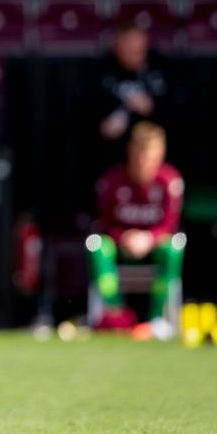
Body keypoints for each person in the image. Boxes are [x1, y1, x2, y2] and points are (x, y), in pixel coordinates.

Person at [86, 122, 185, 338]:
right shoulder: (111, 181)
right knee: (95, 244)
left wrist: (148, 238)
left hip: (154, 247)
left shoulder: (170, 181)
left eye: (150, 157)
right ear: (130, 151)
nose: (144, 163)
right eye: (140, 155)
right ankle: (116, 316)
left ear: (161, 154)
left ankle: (156, 321)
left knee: (175, 247)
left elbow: (170, 224)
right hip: (121, 246)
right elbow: (104, 223)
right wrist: (125, 237)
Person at [94, 19, 171, 170]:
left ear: (145, 44)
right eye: (126, 48)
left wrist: (151, 106)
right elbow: (86, 108)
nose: (132, 54)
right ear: (117, 46)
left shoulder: (162, 68)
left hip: (155, 160)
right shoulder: (102, 70)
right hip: (112, 158)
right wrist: (104, 124)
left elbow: (180, 107)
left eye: (136, 49)